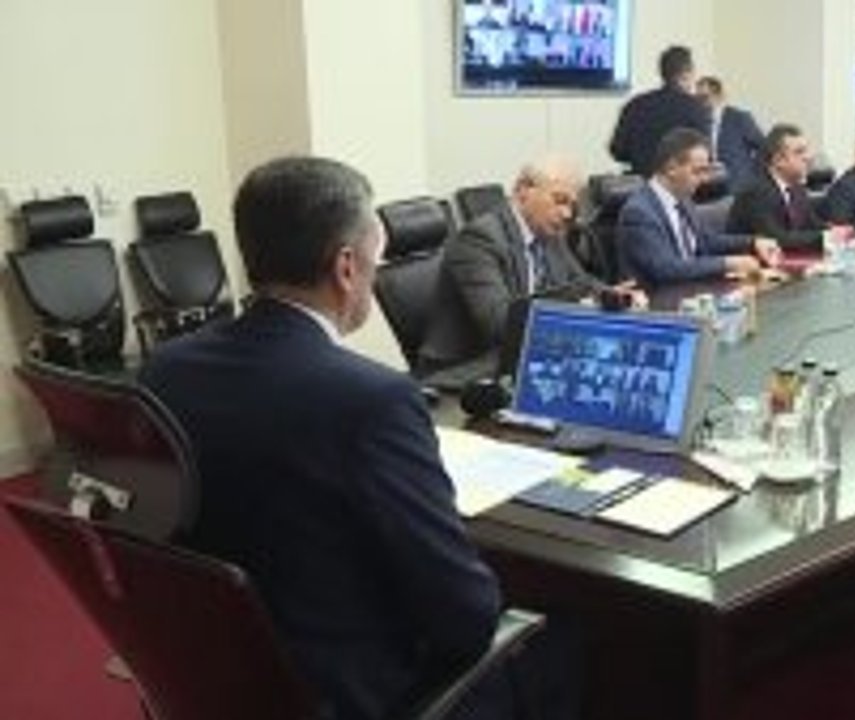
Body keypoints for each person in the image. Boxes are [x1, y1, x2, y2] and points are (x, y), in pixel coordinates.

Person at [139, 157, 503, 720]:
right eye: (377, 260)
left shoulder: (165, 369)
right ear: (347, 267)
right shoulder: (373, 399)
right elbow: (467, 616)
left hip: (214, 674)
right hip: (344, 692)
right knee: (563, 643)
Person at [435, 156, 647, 369]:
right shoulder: (479, 240)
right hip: (468, 369)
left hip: (523, 355)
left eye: (572, 205)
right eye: (559, 200)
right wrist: (578, 302)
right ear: (523, 190)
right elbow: (501, 324)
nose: (567, 214)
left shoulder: (547, 234)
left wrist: (610, 295)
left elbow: (580, 283)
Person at [617, 127, 781, 287]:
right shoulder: (639, 212)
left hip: (693, 290)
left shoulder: (683, 201)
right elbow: (666, 269)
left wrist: (753, 242)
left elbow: (705, 241)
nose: (704, 179)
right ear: (671, 168)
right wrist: (727, 263)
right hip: (660, 299)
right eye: (697, 171)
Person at [609, 45, 709, 177]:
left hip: (642, 183)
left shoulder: (634, 105)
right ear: (686, 74)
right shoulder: (695, 108)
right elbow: (705, 154)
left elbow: (617, 150)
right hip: (680, 184)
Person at [726, 123, 825, 252]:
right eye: (799, 152)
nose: (808, 158)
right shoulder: (756, 192)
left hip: (787, 258)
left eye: (806, 151)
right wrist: (825, 238)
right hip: (750, 261)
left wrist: (839, 234)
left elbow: (812, 225)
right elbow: (777, 240)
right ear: (778, 160)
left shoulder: (796, 187)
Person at [695, 75, 766, 191]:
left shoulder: (739, 118)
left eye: (704, 98)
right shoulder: (698, 124)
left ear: (718, 96)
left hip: (738, 187)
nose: (700, 103)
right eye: (697, 99)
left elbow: (764, 147)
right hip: (711, 189)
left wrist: (750, 172)